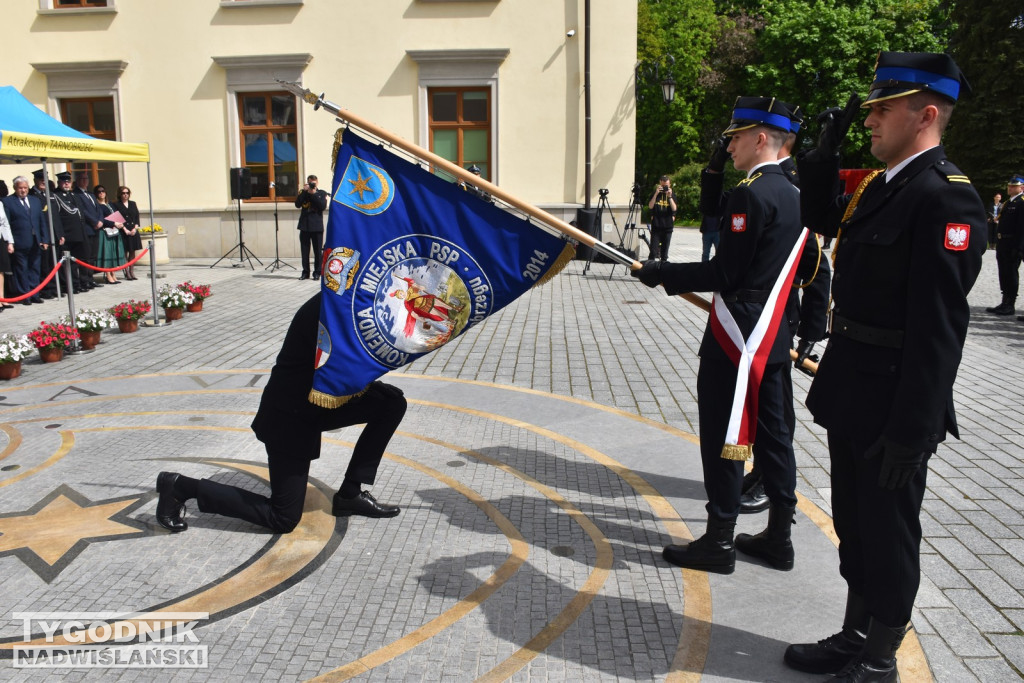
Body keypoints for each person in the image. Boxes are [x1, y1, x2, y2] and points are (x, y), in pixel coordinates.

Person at [788, 52, 985, 681]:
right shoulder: (884, 183)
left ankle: (879, 661)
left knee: (890, 530)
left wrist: (914, 427)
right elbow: (817, 219)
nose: (869, 119)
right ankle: (854, 634)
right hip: (853, 386)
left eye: (882, 109)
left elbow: (939, 330)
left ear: (926, 114)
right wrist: (820, 154)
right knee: (853, 521)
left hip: (895, 400)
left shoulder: (946, 199)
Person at [632, 96, 805, 575]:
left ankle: (719, 540)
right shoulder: (793, 191)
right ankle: (780, 537)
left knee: (726, 438)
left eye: (735, 136)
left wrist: (662, 272)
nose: (728, 145)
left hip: (740, 335)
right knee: (774, 437)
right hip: (772, 330)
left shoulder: (753, 194)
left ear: (760, 138)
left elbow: (725, 270)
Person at [155, 292, 407, 533]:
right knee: (283, 518)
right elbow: (345, 365)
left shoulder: (350, 302)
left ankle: (350, 494)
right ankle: (179, 486)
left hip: (318, 404)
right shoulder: (332, 308)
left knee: (390, 404)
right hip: (289, 416)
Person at [2, 176, 47, 305]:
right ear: (15, 188)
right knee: (21, 269)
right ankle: (25, 295)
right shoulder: (8, 202)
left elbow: (41, 221)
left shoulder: (35, 201)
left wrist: (45, 239)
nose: (23, 190)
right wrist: (10, 242)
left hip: (35, 240)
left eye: (25, 188)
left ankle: (35, 294)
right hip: (19, 241)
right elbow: (7, 223)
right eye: (20, 188)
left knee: (35, 268)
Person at [986, 176, 1023, 315]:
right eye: (1009, 186)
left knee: (1011, 274)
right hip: (1003, 243)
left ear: (1022, 188)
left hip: (1012, 244)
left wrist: (1019, 247)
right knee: (1004, 273)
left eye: (1014, 186)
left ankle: (1010, 304)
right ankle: (1004, 301)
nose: (1010, 188)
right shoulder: (1007, 203)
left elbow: (1021, 228)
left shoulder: (1021, 203)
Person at [52, 172, 90, 294]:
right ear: (59, 182)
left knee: (80, 259)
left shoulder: (74, 195)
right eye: (64, 181)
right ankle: (70, 285)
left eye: (68, 181)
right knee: (68, 264)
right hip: (67, 235)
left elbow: (80, 214)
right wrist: (60, 234)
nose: (66, 183)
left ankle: (80, 283)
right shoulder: (55, 196)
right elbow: (56, 218)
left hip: (79, 233)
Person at [74, 171, 106, 288]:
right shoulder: (76, 194)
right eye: (82, 179)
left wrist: (101, 221)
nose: (85, 181)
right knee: (85, 256)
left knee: (93, 256)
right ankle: (84, 280)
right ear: (77, 181)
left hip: (96, 229)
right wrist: (95, 222)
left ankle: (91, 278)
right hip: (87, 229)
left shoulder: (91, 194)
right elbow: (82, 211)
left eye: (86, 178)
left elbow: (99, 209)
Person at [295, 174, 328, 281]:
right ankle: (305, 272)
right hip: (304, 226)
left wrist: (313, 194)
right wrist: (305, 192)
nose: (313, 184)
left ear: (317, 182)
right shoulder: (303, 193)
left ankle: (317, 272)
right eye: (310, 182)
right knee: (305, 251)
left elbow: (322, 206)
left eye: (314, 182)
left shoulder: (321, 193)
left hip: (317, 227)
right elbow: (297, 204)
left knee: (318, 251)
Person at [94, 185, 125, 284]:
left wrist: (120, 224)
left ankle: (113, 274)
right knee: (107, 253)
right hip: (105, 232)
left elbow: (116, 214)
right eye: (99, 192)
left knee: (113, 254)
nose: (101, 193)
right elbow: (102, 219)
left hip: (114, 231)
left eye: (103, 191)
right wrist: (113, 223)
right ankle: (108, 275)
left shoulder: (110, 203)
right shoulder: (97, 205)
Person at [111, 186, 142, 280]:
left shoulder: (133, 204)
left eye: (127, 193)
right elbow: (117, 217)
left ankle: (132, 270)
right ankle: (127, 272)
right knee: (125, 252)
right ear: (120, 194)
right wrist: (125, 229)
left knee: (133, 252)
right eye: (123, 193)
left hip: (133, 229)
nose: (125, 195)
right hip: (123, 230)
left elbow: (137, 217)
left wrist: (135, 228)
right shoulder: (116, 204)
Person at [647, 175, 676, 261]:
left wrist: (669, 196)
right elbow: (650, 206)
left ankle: (663, 270)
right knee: (653, 251)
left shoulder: (672, 195)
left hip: (667, 227)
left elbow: (674, 208)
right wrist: (656, 194)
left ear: (669, 184)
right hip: (656, 226)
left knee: (664, 252)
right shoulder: (655, 193)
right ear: (660, 183)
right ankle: (650, 269)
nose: (664, 187)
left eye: (666, 185)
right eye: (663, 186)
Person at [0, 202, 14, 312]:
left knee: (1, 270)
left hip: (1, 239)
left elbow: (5, 223)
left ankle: (2, 298)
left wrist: (10, 242)